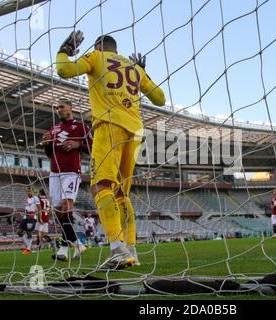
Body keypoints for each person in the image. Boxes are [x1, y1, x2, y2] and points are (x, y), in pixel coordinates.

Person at [56, 31, 165, 269]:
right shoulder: (134, 68)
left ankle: (117, 249)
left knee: (100, 186)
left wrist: (64, 51)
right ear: (116, 48)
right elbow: (160, 99)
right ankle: (131, 250)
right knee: (121, 194)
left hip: (108, 126)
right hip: (135, 130)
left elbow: (64, 70)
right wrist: (143, 72)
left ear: (98, 46)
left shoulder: (96, 57)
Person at [42, 99, 93, 261]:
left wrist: (78, 145)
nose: (59, 110)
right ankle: (78, 244)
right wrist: (46, 144)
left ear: (71, 108)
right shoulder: (54, 129)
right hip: (54, 172)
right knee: (58, 211)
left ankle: (63, 248)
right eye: (57, 108)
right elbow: (50, 155)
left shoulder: (81, 127)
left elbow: (93, 147)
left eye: (62, 107)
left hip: (71, 172)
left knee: (66, 206)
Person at [18, 188, 41, 254]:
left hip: (32, 217)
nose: (28, 192)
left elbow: (39, 208)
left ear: (33, 192)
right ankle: (28, 246)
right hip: (25, 217)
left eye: (29, 191)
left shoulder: (35, 198)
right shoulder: (27, 199)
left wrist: (40, 218)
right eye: (27, 191)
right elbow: (27, 208)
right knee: (19, 231)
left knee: (28, 232)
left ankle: (28, 248)